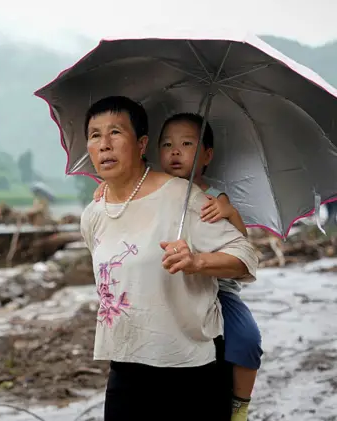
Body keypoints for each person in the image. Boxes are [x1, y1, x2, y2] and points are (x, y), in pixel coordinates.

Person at [79, 96, 258, 420]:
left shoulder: (181, 195)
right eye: (94, 135)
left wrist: (198, 261)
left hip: (190, 370)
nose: (104, 145)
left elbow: (246, 256)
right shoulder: (92, 215)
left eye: (115, 132)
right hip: (126, 370)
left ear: (142, 143)